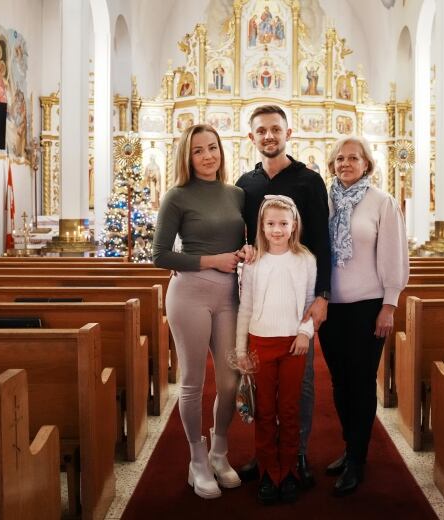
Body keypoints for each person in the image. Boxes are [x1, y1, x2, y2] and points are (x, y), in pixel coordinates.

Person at [236, 105, 331, 490]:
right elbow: (242, 235)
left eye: (275, 129)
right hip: (262, 297)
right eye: (262, 131)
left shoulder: (309, 180)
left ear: (288, 133)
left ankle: (298, 454)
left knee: (300, 386)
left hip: (299, 297)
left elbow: (322, 241)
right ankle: (265, 457)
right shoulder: (245, 183)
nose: (269, 136)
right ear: (252, 138)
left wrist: (323, 295)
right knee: (265, 394)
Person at [152, 124, 245, 499]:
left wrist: (247, 251)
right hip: (189, 293)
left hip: (230, 295)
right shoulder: (176, 196)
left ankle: (220, 450)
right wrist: (212, 259)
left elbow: (248, 237)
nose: (208, 156)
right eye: (198, 151)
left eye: (212, 148)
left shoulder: (236, 194)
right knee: (192, 381)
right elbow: (160, 254)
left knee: (229, 381)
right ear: (187, 158)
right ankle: (197, 459)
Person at [318, 136, 409, 496]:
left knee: (361, 382)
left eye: (353, 158)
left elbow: (394, 255)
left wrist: (390, 304)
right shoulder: (323, 200)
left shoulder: (381, 202)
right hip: (330, 307)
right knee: (340, 383)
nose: (345, 163)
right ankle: (350, 446)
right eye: (339, 158)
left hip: (368, 307)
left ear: (367, 164)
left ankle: (358, 458)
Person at [236, 195, 316, 504]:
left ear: (294, 225)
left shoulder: (305, 259)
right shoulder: (255, 262)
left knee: (290, 409)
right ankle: (269, 472)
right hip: (261, 342)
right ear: (261, 226)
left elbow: (310, 302)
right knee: (266, 411)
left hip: (294, 344)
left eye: (283, 223)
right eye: (270, 224)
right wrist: (241, 349)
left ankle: (290, 470)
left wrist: (305, 332)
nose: (277, 230)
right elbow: (246, 307)